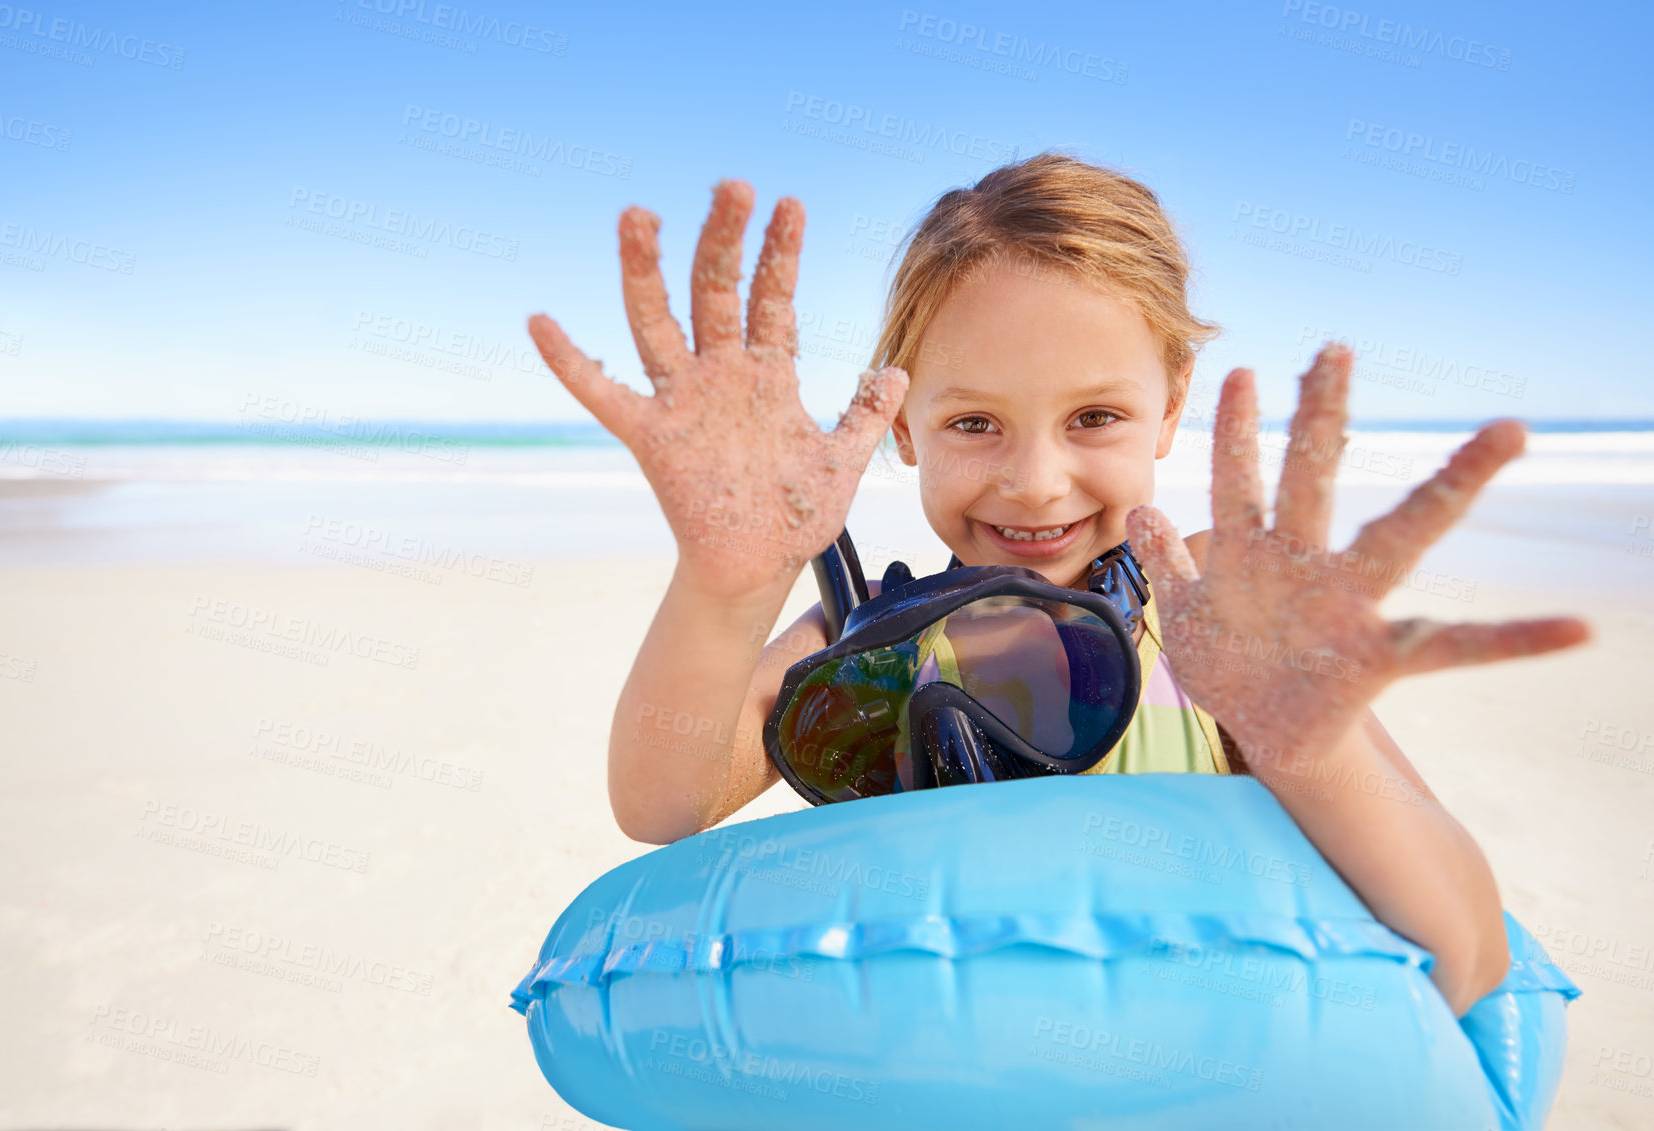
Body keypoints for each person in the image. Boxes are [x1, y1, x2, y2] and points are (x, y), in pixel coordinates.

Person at [524, 151, 1591, 1017]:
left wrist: (1311, 749)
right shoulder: (863, 643)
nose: (1035, 483)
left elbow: (1464, 954)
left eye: (1095, 418)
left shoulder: (1215, 613)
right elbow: (659, 805)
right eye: (974, 423)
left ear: (1172, 407)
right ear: (902, 424)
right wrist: (726, 588)